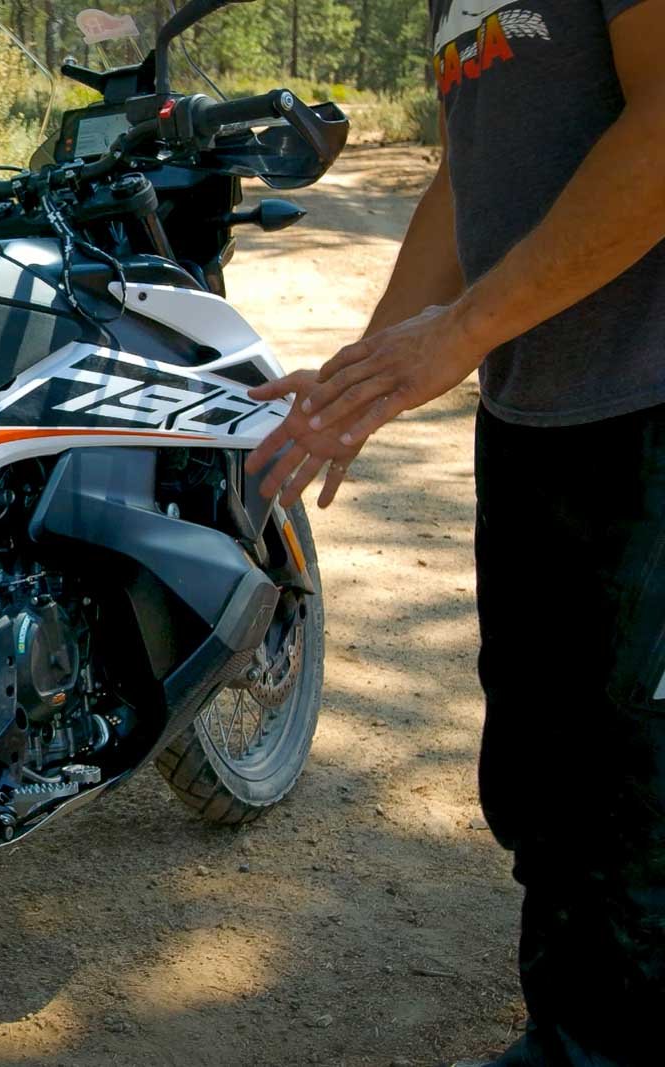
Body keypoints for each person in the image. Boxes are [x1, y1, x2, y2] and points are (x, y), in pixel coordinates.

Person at [243, 0, 665, 1064]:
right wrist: (375, 367)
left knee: (636, 787)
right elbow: (464, 174)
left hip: (648, 411)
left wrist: (462, 331)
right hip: (537, 412)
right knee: (544, 774)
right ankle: (570, 1033)